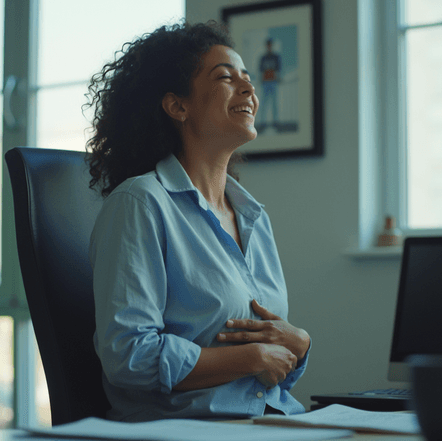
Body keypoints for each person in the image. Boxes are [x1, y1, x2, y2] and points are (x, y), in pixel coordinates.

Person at [85, 21, 311, 422]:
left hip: (269, 421)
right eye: (225, 77)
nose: (249, 88)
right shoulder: (139, 203)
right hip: (188, 428)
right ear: (178, 106)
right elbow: (128, 357)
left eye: (247, 77)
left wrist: (299, 345)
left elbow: (269, 377)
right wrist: (250, 357)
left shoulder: (252, 215)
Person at [258, 38, 281, 130]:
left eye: (270, 45)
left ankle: (275, 123)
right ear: (266, 46)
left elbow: (278, 69)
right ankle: (262, 123)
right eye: (268, 45)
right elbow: (261, 70)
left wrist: (278, 77)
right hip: (265, 83)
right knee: (264, 103)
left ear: (272, 45)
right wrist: (261, 79)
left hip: (273, 82)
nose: (269, 47)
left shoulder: (276, 57)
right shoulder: (263, 58)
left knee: (274, 103)